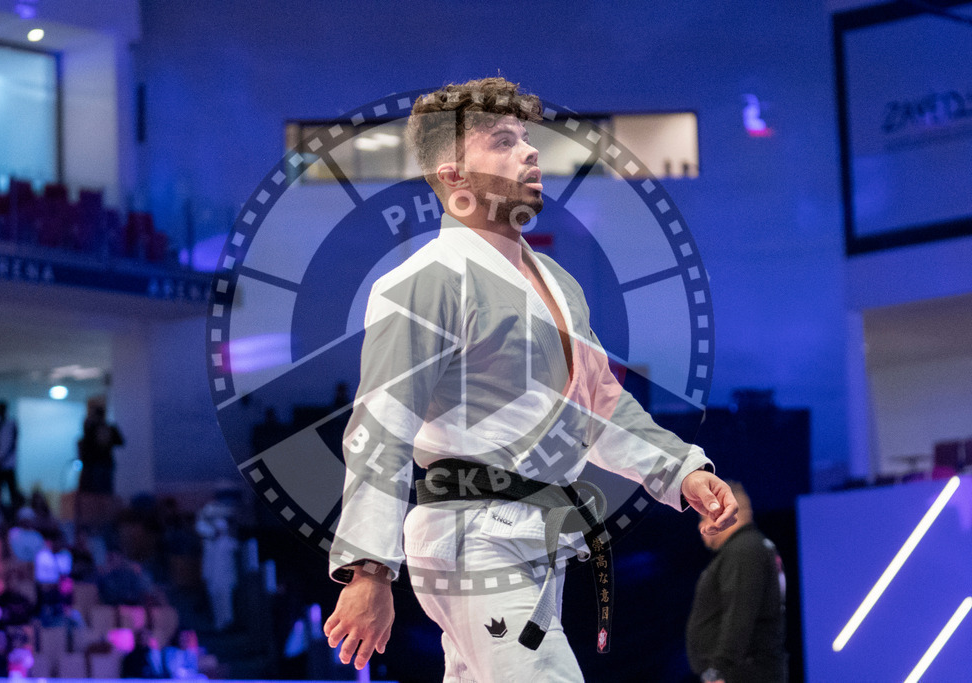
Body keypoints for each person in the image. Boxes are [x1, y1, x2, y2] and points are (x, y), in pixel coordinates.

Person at [323, 77, 738, 681]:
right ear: (453, 174)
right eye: (503, 141)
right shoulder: (424, 281)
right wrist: (369, 570)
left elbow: (600, 404)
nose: (530, 152)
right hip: (471, 535)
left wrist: (681, 471)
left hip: (537, 537)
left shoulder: (559, 283)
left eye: (526, 138)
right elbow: (381, 427)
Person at [685, 482, 786, 683]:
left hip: (742, 674)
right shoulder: (752, 546)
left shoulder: (744, 550)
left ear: (725, 512)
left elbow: (740, 615)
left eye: (703, 516)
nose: (700, 526)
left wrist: (718, 670)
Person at [78, 399, 125, 495]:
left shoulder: (97, 427)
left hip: (98, 465)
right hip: (99, 464)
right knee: (99, 492)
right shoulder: (101, 427)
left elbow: (120, 441)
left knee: (98, 493)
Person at [0, 400, 22, 507]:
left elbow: (13, 444)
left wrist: (3, 458)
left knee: (12, 490)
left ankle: (14, 511)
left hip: (8, 464)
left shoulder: (12, 424)